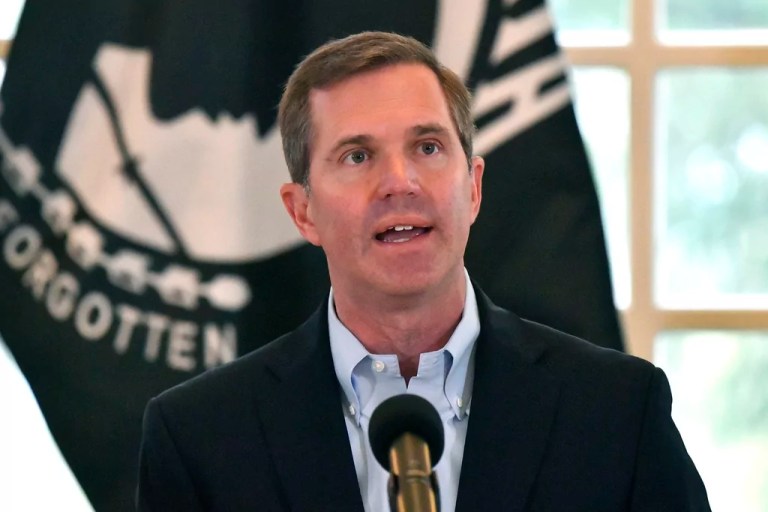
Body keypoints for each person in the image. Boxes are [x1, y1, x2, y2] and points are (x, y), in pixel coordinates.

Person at [137, 31, 710, 511]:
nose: (400, 182)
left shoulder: (617, 412)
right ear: (302, 211)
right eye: (357, 156)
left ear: (475, 187)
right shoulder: (199, 437)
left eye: (428, 147)